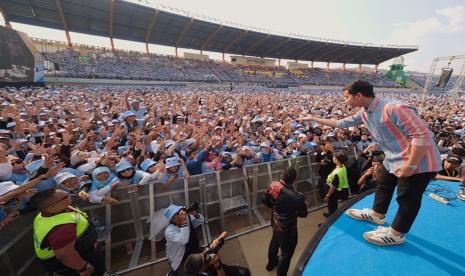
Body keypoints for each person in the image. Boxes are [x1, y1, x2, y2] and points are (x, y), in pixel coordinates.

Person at [299, 80, 441, 246]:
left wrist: (411, 166)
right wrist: (313, 118)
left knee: (407, 198)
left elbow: (422, 136)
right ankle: (377, 214)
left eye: (347, 97)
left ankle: (397, 234)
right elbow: (340, 123)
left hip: (418, 162)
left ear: (358, 96)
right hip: (394, 158)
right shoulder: (365, 112)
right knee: (384, 184)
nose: (345, 101)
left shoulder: (394, 108)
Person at [30, 188, 105, 276]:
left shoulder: (46, 213)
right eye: (66, 197)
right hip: (76, 264)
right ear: (51, 206)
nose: (70, 197)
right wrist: (83, 268)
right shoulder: (61, 228)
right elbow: (64, 254)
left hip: (85, 251)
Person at [263, 167, 308, 276]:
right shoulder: (298, 197)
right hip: (288, 229)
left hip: (275, 223)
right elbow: (303, 214)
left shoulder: (273, 185)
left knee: (275, 242)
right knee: (286, 254)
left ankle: (271, 265)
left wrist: (274, 207)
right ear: (295, 179)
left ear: (282, 176)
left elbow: (265, 200)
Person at [164, 204, 204, 275]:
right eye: (177, 213)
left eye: (180, 211)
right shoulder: (169, 231)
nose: (181, 213)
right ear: (172, 219)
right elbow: (184, 240)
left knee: (209, 258)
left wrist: (196, 215)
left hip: (191, 250)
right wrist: (183, 222)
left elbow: (201, 221)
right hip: (179, 259)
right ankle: (173, 274)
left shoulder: (186, 219)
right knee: (191, 273)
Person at [323, 153, 349, 217]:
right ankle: (330, 214)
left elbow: (333, 186)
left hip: (333, 192)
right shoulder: (342, 166)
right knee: (332, 205)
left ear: (337, 160)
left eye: (334, 157)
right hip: (335, 192)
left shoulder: (338, 172)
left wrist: (328, 196)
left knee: (332, 206)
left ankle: (331, 218)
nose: (333, 158)